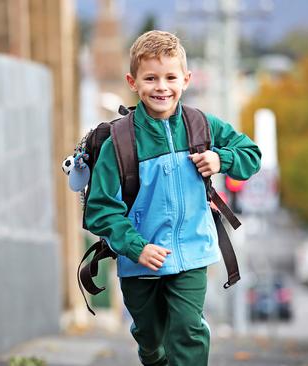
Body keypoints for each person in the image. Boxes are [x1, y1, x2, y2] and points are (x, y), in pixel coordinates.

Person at [83, 30, 261, 366]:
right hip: (140, 261)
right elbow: (100, 210)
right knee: (151, 339)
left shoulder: (201, 126)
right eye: (150, 78)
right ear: (132, 82)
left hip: (192, 253)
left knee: (189, 330)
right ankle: (153, 355)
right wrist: (137, 247)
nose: (161, 87)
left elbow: (251, 154)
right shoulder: (119, 144)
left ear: (186, 80)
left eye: (170, 77)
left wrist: (222, 159)